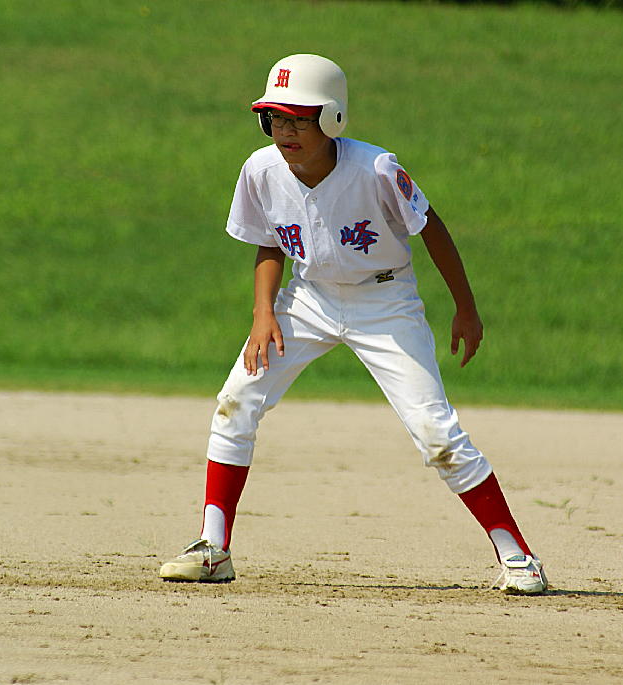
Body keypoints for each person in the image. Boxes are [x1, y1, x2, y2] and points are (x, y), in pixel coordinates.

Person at [159, 54, 547, 594]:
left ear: (332, 118)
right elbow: (269, 242)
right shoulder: (261, 170)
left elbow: (430, 226)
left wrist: (466, 307)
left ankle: (518, 557)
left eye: (299, 119)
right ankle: (212, 547)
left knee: (436, 433)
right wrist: (263, 312)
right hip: (307, 298)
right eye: (274, 118)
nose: (284, 131)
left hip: (385, 303)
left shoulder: (376, 169)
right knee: (236, 401)